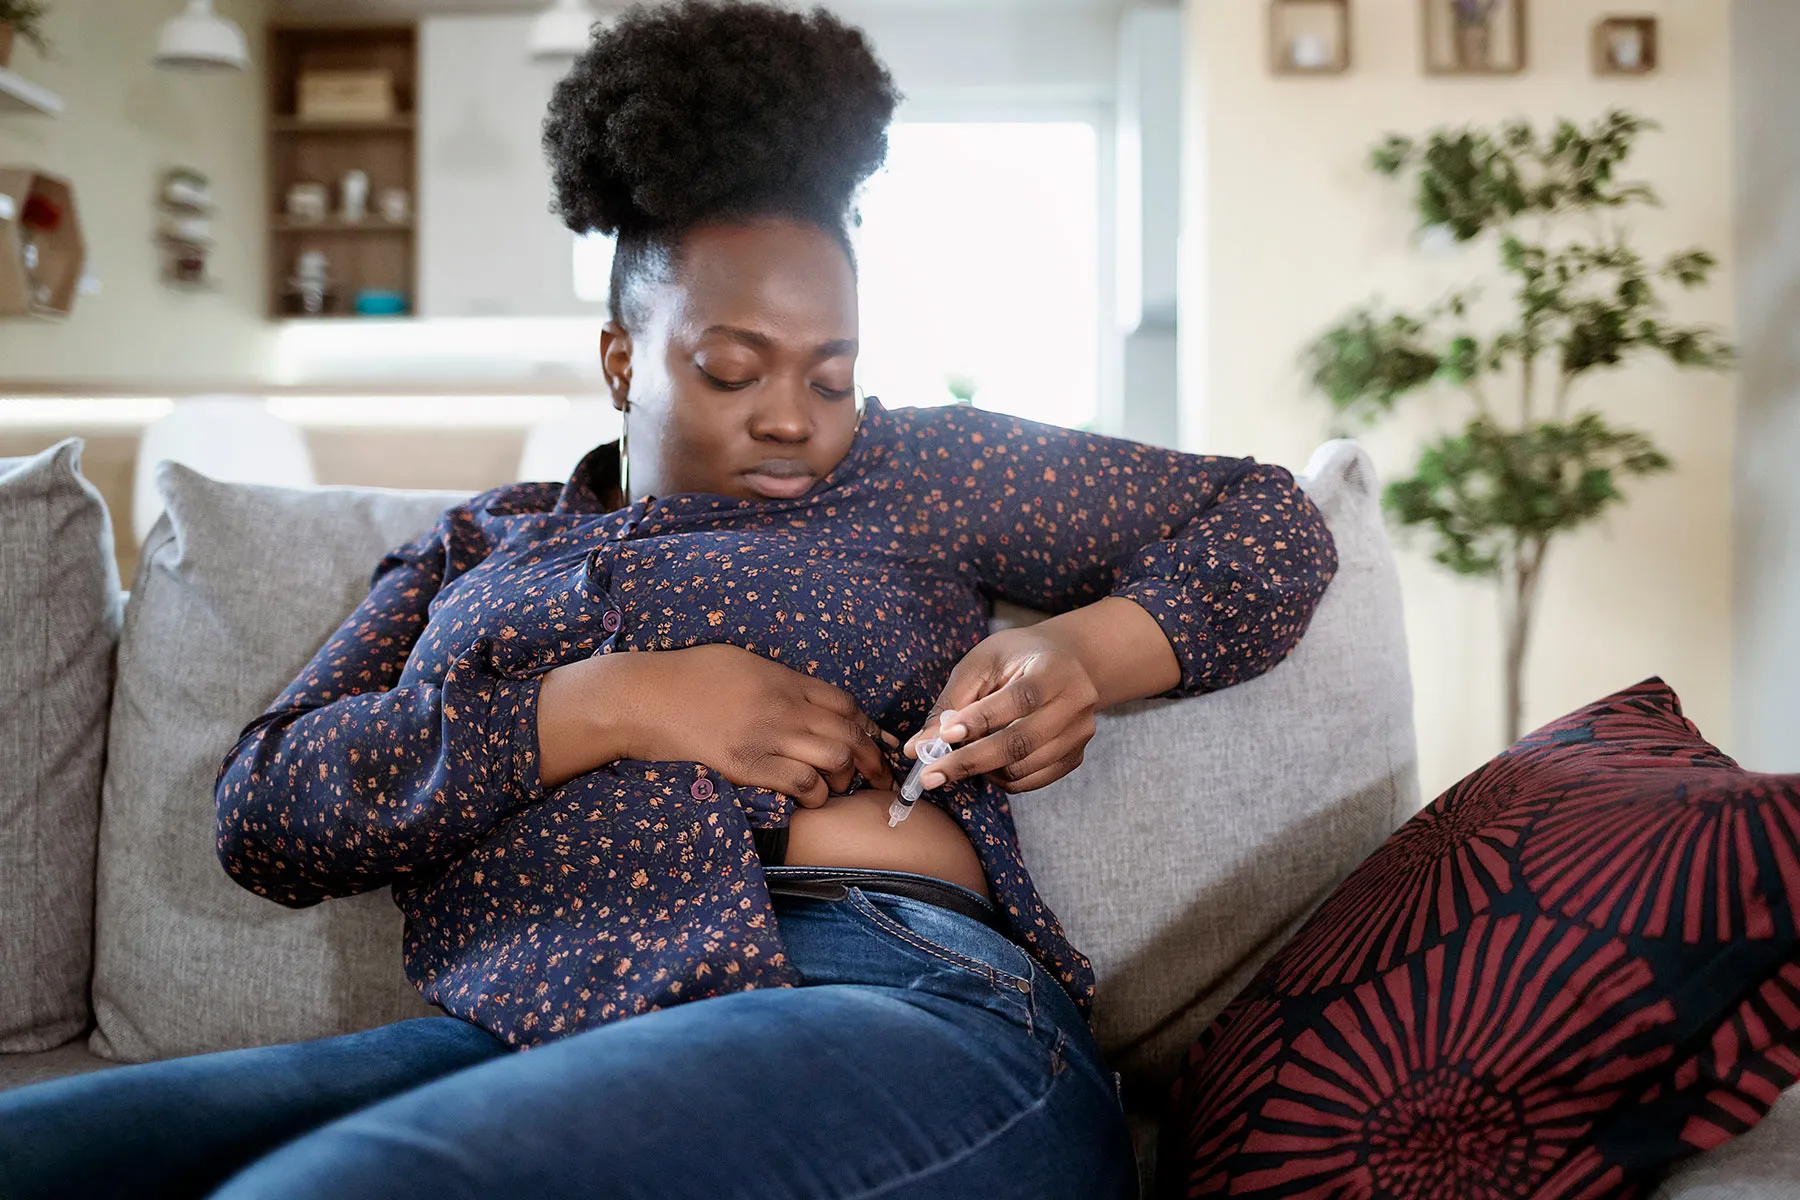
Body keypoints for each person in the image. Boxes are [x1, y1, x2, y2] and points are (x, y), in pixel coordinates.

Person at [0, 3, 1337, 1197]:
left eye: (830, 373)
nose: (793, 421)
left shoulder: (911, 471)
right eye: (733, 369)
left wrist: (1084, 651)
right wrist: (605, 704)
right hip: (528, 1025)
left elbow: (1264, 520)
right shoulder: (477, 548)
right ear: (622, 358)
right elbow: (270, 809)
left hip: (895, 996)